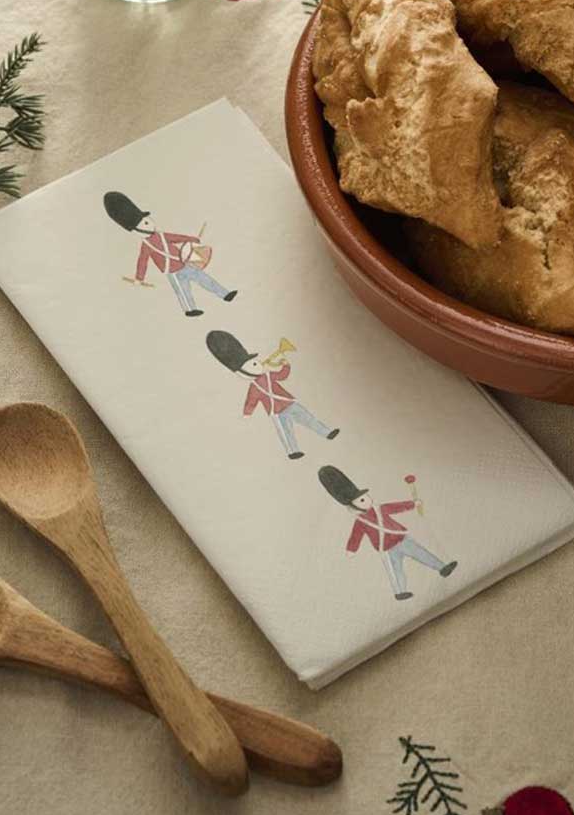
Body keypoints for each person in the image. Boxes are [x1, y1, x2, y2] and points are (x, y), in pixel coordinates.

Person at [318, 465, 457, 600]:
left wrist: (413, 504)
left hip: (402, 539)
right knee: (395, 570)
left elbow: (396, 507)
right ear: (354, 505)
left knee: (422, 553)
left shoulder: (380, 509)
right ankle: (400, 592)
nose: (367, 500)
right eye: (361, 500)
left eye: (366, 497)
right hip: (386, 549)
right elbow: (356, 535)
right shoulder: (361, 521)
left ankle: (442, 567)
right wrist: (352, 549)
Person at [206, 330, 339, 460]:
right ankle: (293, 451)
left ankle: (326, 432)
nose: (258, 363)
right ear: (243, 372)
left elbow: (282, 375)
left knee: (309, 418)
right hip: (276, 412)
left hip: (290, 403)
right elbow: (251, 402)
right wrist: (247, 414)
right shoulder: (254, 388)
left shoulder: (268, 375)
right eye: (253, 364)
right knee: (286, 433)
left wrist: (285, 365)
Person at [103, 191, 237, 317]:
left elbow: (177, 238)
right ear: (137, 229)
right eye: (145, 222)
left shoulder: (161, 235)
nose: (150, 222)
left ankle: (225, 294)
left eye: (147, 220)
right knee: (183, 291)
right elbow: (142, 262)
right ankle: (190, 310)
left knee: (205, 279)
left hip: (184, 263)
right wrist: (139, 278)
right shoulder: (146, 246)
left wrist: (192, 239)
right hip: (172, 272)